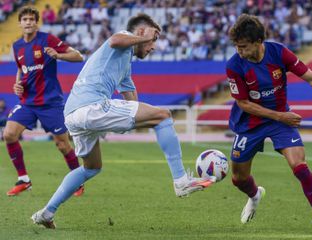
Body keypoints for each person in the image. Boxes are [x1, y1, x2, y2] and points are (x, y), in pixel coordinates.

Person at [31, 13, 216, 229]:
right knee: (164, 115)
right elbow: (116, 40)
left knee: (91, 168)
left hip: (73, 114)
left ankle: (47, 212)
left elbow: (131, 99)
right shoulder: (123, 39)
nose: (153, 46)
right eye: (154, 38)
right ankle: (181, 181)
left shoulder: (125, 62)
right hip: (91, 107)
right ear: (140, 32)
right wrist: (143, 39)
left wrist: (143, 120)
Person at [225, 14, 312, 235]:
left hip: (281, 119)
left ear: (258, 42)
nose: (240, 51)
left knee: (300, 167)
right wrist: (279, 116)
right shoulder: (234, 65)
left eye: (244, 47)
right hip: (250, 122)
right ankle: (255, 195)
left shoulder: (278, 53)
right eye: (237, 46)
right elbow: (243, 103)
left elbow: (311, 77)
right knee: (238, 178)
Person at [3, 6, 84, 197]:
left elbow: (78, 56)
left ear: (36, 22)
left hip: (50, 103)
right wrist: (17, 85)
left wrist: (59, 55)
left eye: (32, 19)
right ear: (19, 23)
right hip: (28, 102)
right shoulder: (16, 46)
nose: (29, 22)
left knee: (63, 145)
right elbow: (21, 69)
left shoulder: (47, 39)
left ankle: (77, 181)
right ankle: (24, 180)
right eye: (25, 19)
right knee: (9, 134)